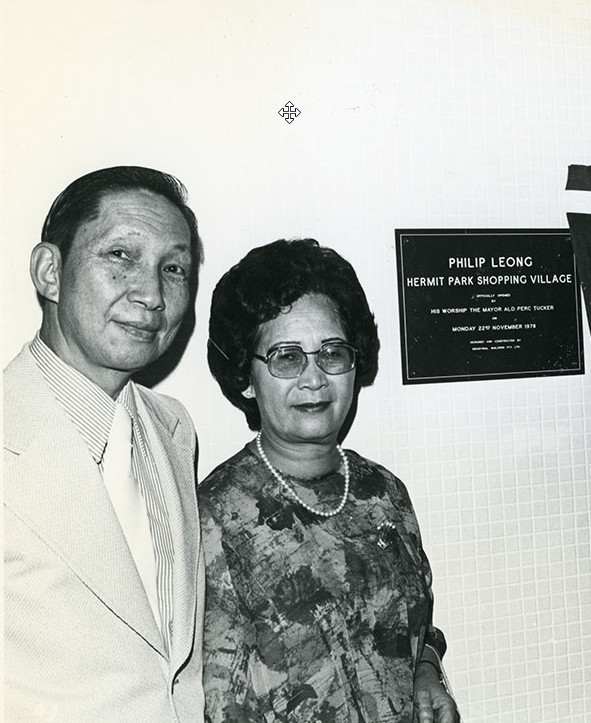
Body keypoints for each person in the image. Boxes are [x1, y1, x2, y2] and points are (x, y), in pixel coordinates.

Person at [201, 238, 460, 723]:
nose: (315, 378)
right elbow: (220, 704)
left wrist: (427, 674)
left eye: (332, 353)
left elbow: (417, 630)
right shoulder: (215, 518)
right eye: (286, 357)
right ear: (245, 377)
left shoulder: (383, 492)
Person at [4, 166, 206, 720]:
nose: (151, 294)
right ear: (50, 271)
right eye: (121, 255)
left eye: (174, 268)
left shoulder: (174, 428)